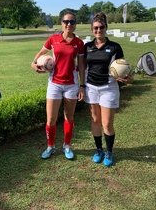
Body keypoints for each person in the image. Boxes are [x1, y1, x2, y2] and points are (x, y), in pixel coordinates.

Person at [31, 11, 86, 160]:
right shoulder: (53, 39)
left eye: (72, 22)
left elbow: (81, 65)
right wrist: (33, 63)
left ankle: (67, 146)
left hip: (71, 84)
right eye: (66, 21)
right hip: (54, 83)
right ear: (61, 23)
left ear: (75, 24)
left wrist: (82, 85)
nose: (69, 24)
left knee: (69, 117)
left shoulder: (79, 43)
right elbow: (42, 51)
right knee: (51, 119)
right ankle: (50, 146)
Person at [84, 12, 133, 167]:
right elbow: (82, 67)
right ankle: (99, 150)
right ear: (92, 29)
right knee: (95, 121)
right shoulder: (88, 47)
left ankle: (109, 152)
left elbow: (122, 68)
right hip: (91, 88)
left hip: (108, 88)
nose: (98, 30)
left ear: (106, 28)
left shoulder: (114, 47)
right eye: (95, 28)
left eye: (101, 27)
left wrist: (126, 78)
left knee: (106, 124)